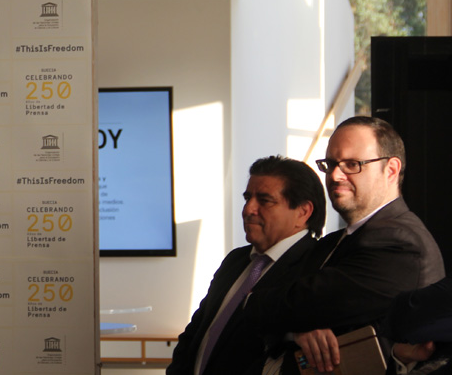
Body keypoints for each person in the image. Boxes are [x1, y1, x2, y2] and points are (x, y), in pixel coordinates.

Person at [244, 116, 445, 373]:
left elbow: (284, 305)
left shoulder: (400, 243)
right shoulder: (335, 241)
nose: (335, 175)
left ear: (391, 170)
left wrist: (283, 317)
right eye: (330, 164)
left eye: (352, 164)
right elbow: (267, 307)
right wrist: (296, 331)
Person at [168, 156, 326, 375]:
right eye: (247, 198)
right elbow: (196, 333)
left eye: (264, 200)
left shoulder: (317, 267)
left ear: (303, 212)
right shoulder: (236, 260)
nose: (248, 209)